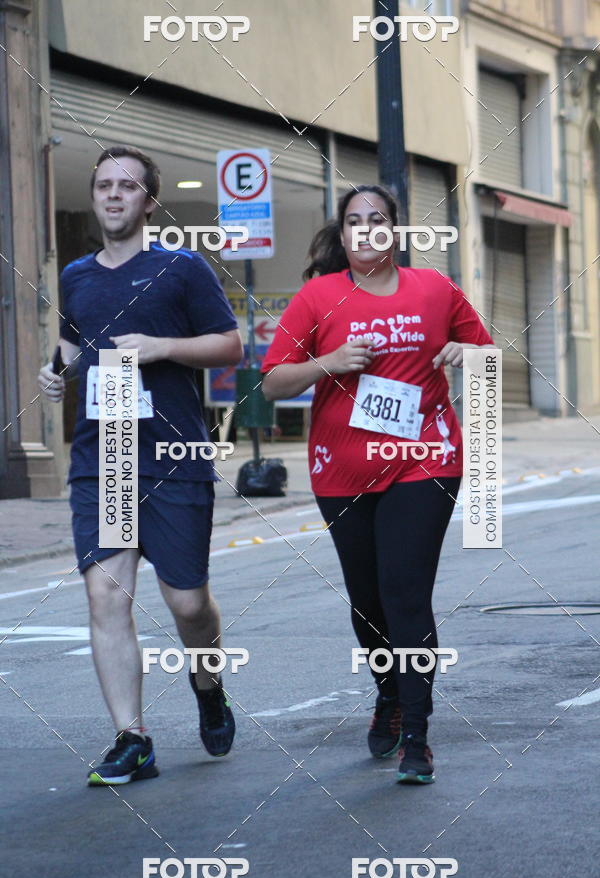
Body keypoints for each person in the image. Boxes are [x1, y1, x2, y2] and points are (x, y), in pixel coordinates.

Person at [261, 185, 494, 784]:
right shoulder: (319, 297)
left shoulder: (434, 289)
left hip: (425, 459)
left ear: (396, 230)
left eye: (379, 220)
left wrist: (460, 353)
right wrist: (327, 364)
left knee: (405, 592)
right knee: (368, 602)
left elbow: (486, 353)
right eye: (355, 222)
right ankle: (388, 693)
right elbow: (272, 385)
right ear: (342, 237)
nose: (367, 230)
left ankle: (417, 736)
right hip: (342, 468)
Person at [38, 145, 243, 785]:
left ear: (148, 201)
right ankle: (133, 738)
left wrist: (163, 346)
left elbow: (229, 343)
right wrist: (57, 367)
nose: (113, 196)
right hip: (106, 457)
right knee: (106, 594)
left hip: (173, 454)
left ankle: (207, 681)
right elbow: (74, 337)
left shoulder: (182, 269)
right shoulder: (77, 275)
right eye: (103, 186)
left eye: (127, 187)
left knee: (186, 603)